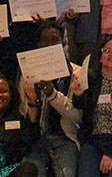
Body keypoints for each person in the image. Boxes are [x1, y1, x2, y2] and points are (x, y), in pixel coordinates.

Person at [70, 35, 112, 177]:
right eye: (106, 51)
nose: (111, 54)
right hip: (94, 139)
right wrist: (78, 94)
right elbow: (81, 107)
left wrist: (111, 153)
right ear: (100, 58)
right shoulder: (90, 79)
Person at [20, 23, 81, 177]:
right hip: (38, 138)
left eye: (54, 40)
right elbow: (24, 113)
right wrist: (33, 104)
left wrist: (52, 94)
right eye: (44, 40)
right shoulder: (28, 75)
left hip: (65, 138)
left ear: (63, 42)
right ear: (38, 44)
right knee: (26, 172)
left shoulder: (76, 74)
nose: (49, 45)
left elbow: (77, 116)